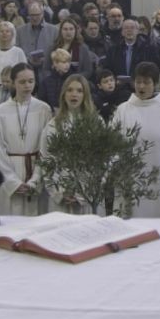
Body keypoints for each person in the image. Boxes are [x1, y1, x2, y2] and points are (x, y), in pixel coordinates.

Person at [111, 63, 160, 217]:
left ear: (155, 84)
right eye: (138, 81)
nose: (141, 86)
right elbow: (113, 146)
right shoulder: (123, 110)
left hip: (159, 185)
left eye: (147, 82)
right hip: (129, 182)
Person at [0, 63, 51, 216]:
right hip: (10, 169)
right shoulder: (1, 111)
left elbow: (46, 148)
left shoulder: (44, 109)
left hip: (36, 168)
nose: (27, 86)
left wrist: (35, 180)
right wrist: (13, 182)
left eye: (31, 81)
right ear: (13, 82)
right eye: (22, 82)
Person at [37, 73, 100, 214]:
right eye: (70, 90)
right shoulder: (52, 125)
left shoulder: (96, 123)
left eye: (79, 90)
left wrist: (82, 193)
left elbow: (101, 162)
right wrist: (59, 192)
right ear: (64, 94)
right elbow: (46, 160)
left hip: (86, 196)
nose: (74, 94)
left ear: (85, 95)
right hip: (60, 196)